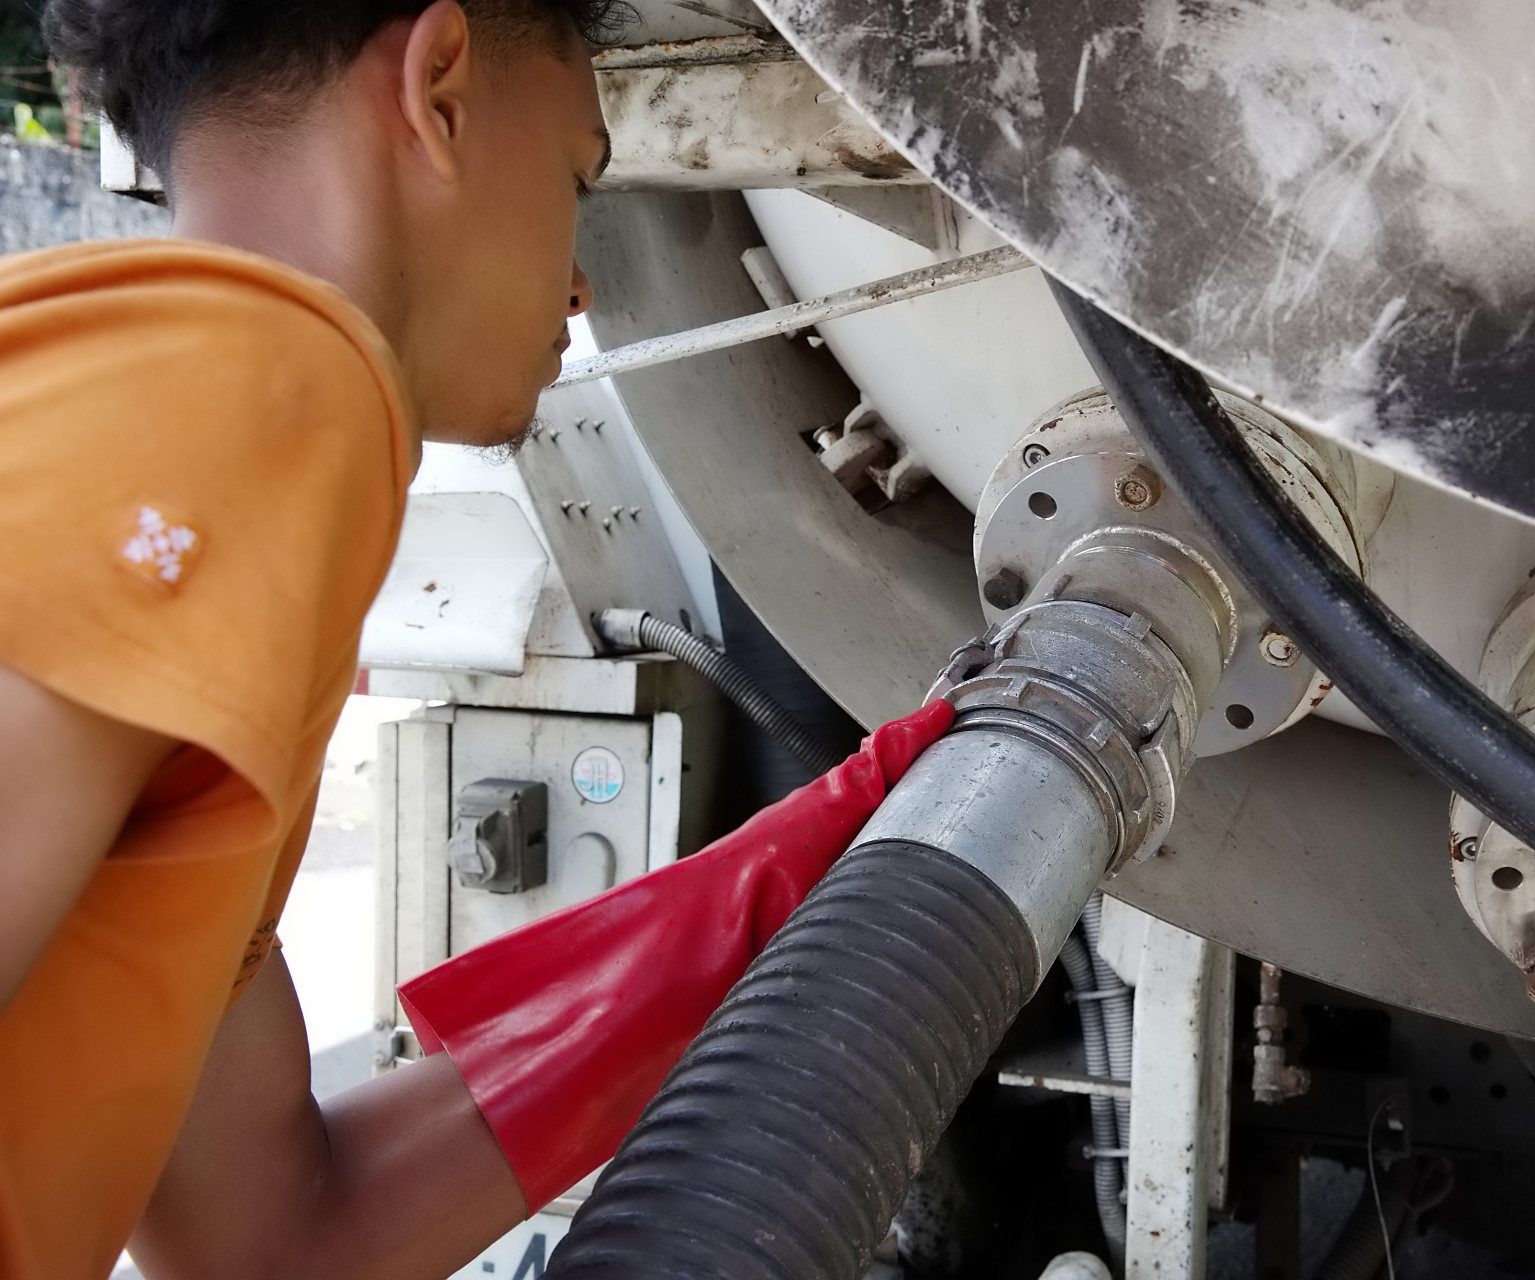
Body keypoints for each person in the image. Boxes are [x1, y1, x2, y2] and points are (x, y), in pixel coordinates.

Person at [0, 3, 954, 1276]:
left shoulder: (147, 419)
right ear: (439, 89)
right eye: (575, 173)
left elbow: (279, 1235)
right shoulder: (249, 372)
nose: (580, 279)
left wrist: (799, 873)